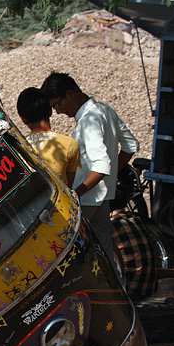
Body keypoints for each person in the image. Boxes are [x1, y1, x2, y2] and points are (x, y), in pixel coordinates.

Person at [40, 72, 138, 265]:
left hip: (87, 199)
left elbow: (101, 165)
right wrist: (111, 176)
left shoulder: (88, 121)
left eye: (57, 104)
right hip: (103, 198)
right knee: (105, 255)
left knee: (77, 257)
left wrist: (75, 194)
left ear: (70, 94)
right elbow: (130, 146)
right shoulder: (104, 110)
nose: (58, 112)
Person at [15, 87, 81, 187]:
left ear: (23, 119)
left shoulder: (19, 149)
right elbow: (68, 188)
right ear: (50, 111)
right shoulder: (70, 144)